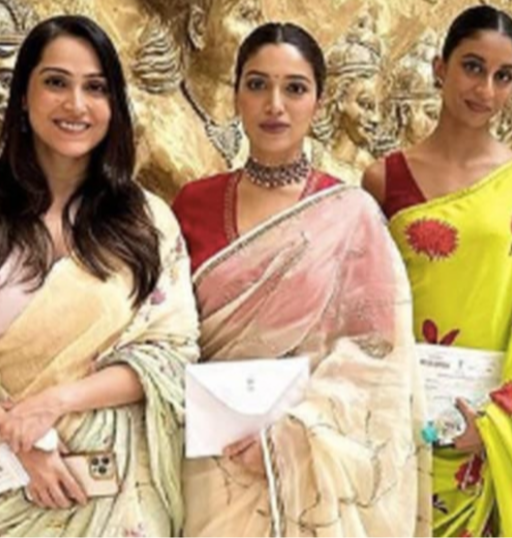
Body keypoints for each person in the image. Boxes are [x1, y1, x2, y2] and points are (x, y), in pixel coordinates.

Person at [0, 15, 199, 537]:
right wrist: (22, 442)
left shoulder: (146, 221)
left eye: (96, 88)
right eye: (56, 82)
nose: (76, 105)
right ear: (23, 95)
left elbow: (170, 357)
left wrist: (54, 403)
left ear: (115, 104)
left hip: (114, 495)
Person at [172, 22, 430, 538]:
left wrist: (288, 438)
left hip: (312, 466)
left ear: (319, 101)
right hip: (207, 464)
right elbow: (171, 334)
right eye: (257, 85)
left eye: (294, 88)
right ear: (236, 95)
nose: (275, 105)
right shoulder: (192, 203)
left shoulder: (352, 213)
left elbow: (379, 358)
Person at [363, 6, 512, 537]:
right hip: (406, 415)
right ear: (440, 68)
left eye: (504, 76)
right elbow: (372, 307)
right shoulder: (384, 179)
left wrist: (499, 423)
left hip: (489, 426)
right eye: (473, 67)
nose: (486, 89)